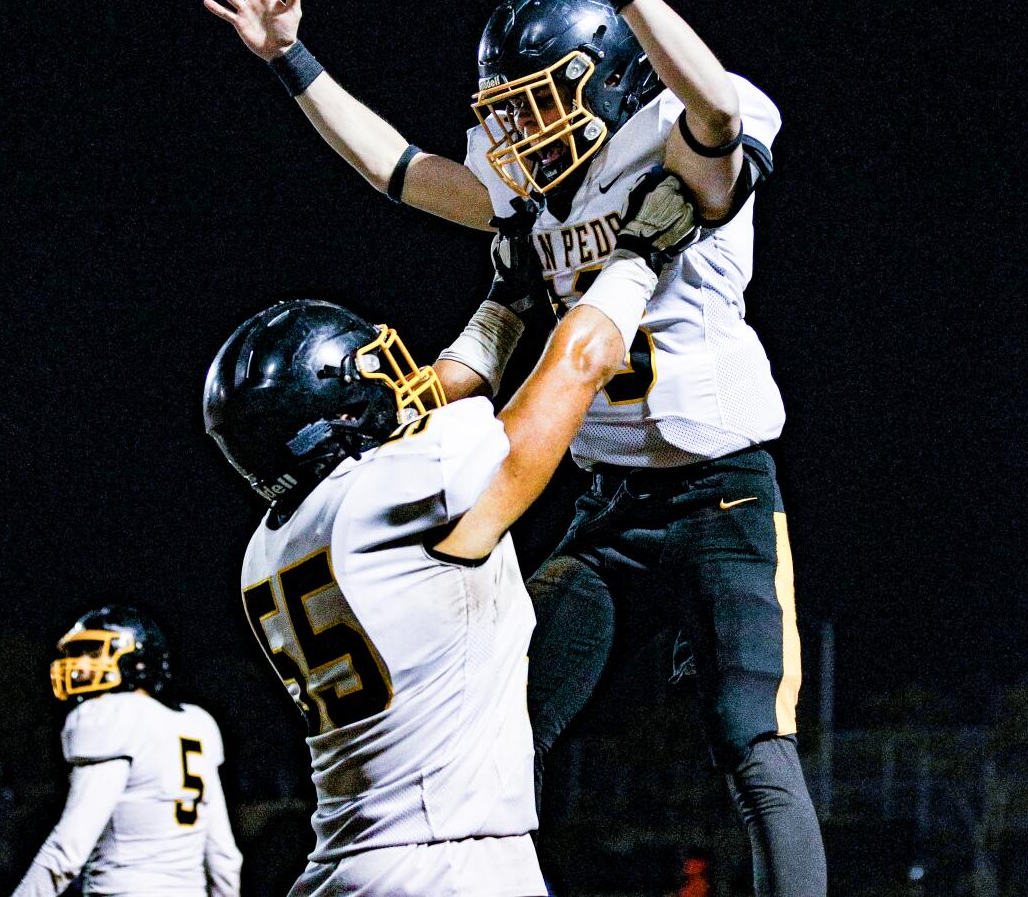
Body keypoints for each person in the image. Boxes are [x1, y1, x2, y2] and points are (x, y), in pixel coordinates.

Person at [204, 0, 827, 891]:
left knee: (752, 737)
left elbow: (711, 110)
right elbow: (401, 171)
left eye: (539, 103)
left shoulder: (672, 134)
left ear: (611, 77)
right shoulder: (537, 198)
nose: (518, 130)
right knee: (498, 720)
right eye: (511, 109)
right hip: (606, 498)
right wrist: (296, 63)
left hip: (722, 491)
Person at [200, 205, 678, 897]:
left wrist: (505, 303)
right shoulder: (391, 490)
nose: (396, 385)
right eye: (368, 375)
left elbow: (426, 407)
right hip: (449, 864)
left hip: (346, 864)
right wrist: (635, 260)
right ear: (330, 413)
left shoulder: (271, 545)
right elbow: (575, 367)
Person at [11, 605, 242, 897]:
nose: (80, 666)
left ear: (138, 659)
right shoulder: (198, 724)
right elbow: (224, 856)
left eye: (94, 653)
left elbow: (67, 850)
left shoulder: (110, 716)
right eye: (77, 653)